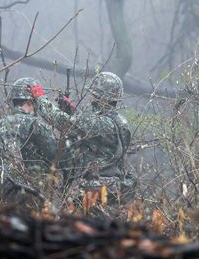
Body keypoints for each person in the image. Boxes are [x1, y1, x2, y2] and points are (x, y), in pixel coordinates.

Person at [28, 71, 132, 201]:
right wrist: (71, 110)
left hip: (95, 191)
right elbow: (91, 134)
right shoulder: (119, 121)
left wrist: (40, 98)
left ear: (103, 99)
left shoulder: (103, 123)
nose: (91, 97)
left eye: (94, 95)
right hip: (110, 189)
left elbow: (64, 122)